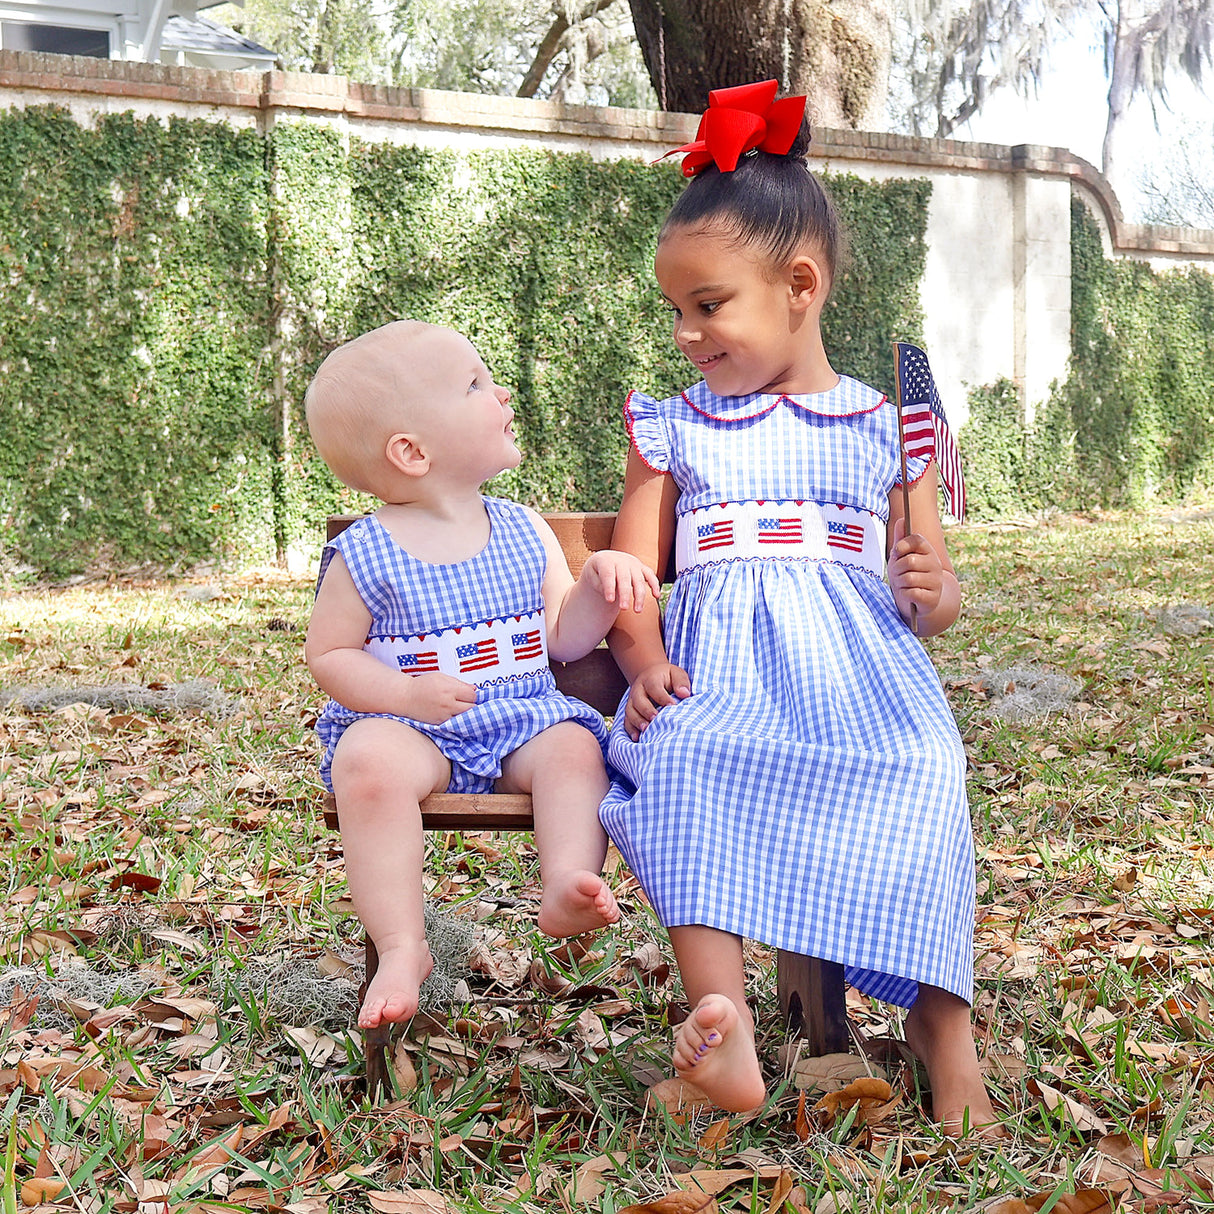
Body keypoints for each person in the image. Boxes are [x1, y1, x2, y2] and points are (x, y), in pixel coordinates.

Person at [600, 80, 997, 1133]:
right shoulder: (674, 428)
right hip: (722, 676)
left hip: (861, 677)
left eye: (708, 304)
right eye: (674, 310)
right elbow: (634, 576)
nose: (686, 332)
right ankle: (719, 1023)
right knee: (682, 759)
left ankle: (940, 1032)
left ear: (800, 284)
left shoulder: (887, 425)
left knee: (923, 763)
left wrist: (935, 591)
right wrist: (643, 662)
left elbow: (932, 589)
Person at [305, 320, 660, 1031]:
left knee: (573, 749)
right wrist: (403, 696)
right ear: (411, 451)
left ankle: (564, 881)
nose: (498, 390)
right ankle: (403, 944)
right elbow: (330, 656)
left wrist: (599, 582)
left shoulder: (523, 528)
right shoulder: (366, 554)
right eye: (474, 384)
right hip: (413, 728)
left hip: (520, 719)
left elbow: (564, 634)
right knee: (366, 762)